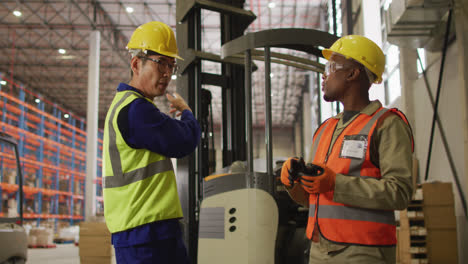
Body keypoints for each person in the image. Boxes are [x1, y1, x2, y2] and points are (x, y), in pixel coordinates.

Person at [280, 35, 414, 264]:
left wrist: (336, 183)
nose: (324, 75)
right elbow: (316, 199)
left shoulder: (386, 124)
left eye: (331, 67)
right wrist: (294, 183)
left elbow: (400, 192)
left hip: (363, 252)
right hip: (319, 249)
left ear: (353, 74)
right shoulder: (325, 129)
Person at [102, 21, 201, 264]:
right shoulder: (136, 111)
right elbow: (185, 141)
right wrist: (187, 113)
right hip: (146, 233)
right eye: (160, 63)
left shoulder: (130, 106)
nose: (167, 73)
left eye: (171, 64)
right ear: (136, 64)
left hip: (143, 230)